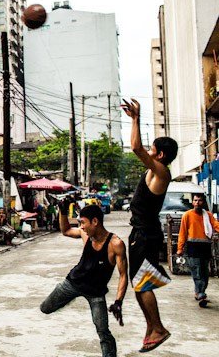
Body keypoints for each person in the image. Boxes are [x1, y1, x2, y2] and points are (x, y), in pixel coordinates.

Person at [121, 98, 178, 352]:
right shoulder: (154, 171)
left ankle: (158, 327)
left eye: (152, 148)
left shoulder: (161, 171)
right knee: (138, 284)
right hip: (141, 232)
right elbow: (139, 149)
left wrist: (134, 119)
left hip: (145, 233)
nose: (148, 150)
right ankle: (151, 328)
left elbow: (135, 147)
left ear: (160, 154)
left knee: (142, 283)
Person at [40, 203, 128, 357]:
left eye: (83, 222)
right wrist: (62, 211)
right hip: (72, 283)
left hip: (95, 292)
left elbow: (123, 275)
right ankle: (65, 294)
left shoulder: (116, 244)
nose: (81, 227)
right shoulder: (85, 234)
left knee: (103, 331)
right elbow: (66, 230)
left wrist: (118, 301)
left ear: (95, 221)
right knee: (45, 308)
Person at [177, 193, 219, 307]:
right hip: (193, 246)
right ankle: (201, 293)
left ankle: (199, 292)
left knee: (205, 272)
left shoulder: (208, 215)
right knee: (197, 271)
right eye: (195, 200)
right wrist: (180, 248)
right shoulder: (187, 215)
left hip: (205, 247)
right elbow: (183, 233)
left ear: (203, 202)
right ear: (192, 202)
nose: (197, 203)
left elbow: (216, 225)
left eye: (199, 201)